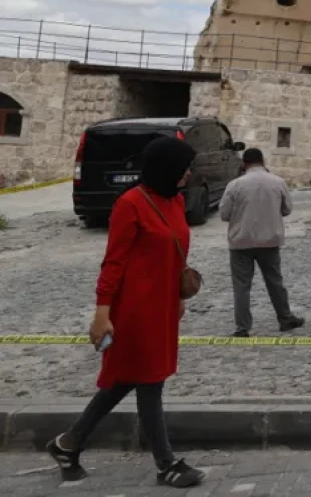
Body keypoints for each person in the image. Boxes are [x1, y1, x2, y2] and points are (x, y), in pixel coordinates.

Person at [48, 136, 205, 488]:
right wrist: (102, 313)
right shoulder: (130, 204)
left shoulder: (175, 201)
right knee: (150, 382)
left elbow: (177, 253)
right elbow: (113, 263)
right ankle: (167, 464)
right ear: (166, 168)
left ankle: (68, 443)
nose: (188, 172)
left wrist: (179, 297)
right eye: (183, 166)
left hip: (162, 307)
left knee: (127, 379)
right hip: (134, 309)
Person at [220, 147, 304, 337]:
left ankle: (242, 328)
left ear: (244, 164)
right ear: (263, 161)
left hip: (241, 241)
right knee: (275, 281)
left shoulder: (234, 185)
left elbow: (224, 214)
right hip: (269, 240)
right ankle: (285, 318)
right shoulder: (278, 182)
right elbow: (287, 209)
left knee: (241, 285)